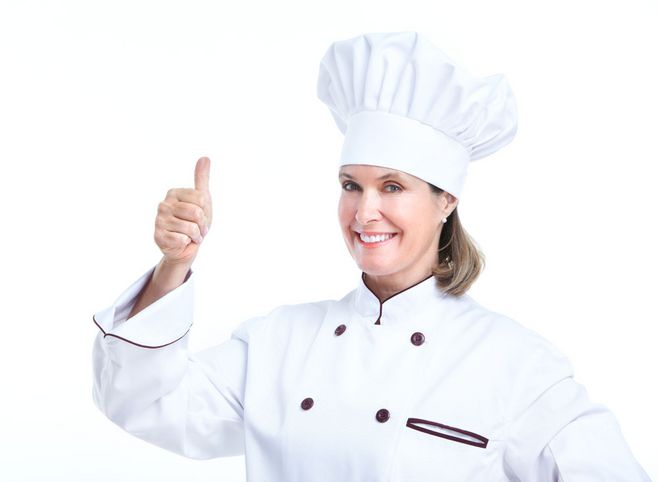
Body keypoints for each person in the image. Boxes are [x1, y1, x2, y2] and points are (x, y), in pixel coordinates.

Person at [91, 31, 651, 481]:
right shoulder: (279, 343)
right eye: (351, 185)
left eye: (392, 186)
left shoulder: (514, 364)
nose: (364, 212)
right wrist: (174, 264)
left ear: (447, 200)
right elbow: (143, 403)